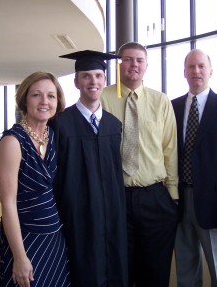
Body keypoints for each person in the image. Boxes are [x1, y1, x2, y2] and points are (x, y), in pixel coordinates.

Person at [101, 42, 179, 287]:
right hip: (116, 198)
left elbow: (170, 149)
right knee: (119, 269)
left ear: (146, 66)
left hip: (155, 198)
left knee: (155, 272)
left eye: (139, 60)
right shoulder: (102, 98)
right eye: (128, 59)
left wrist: (173, 196)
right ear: (119, 63)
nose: (133, 64)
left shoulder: (161, 101)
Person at [51, 50, 128, 287]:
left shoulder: (114, 125)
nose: (92, 82)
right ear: (76, 82)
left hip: (113, 215)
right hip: (78, 217)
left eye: (98, 76)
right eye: (86, 76)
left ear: (105, 81)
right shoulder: (61, 124)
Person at [171, 48, 217, 287]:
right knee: (186, 271)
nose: (196, 71)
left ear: (211, 71)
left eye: (201, 66)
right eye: (191, 67)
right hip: (180, 202)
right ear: (184, 72)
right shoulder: (172, 108)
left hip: (216, 207)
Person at [0, 71, 70, 287]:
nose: (44, 101)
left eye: (51, 96)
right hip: (25, 238)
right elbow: (7, 203)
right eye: (36, 95)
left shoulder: (52, 136)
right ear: (25, 100)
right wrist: (19, 256)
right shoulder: (13, 141)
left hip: (54, 237)